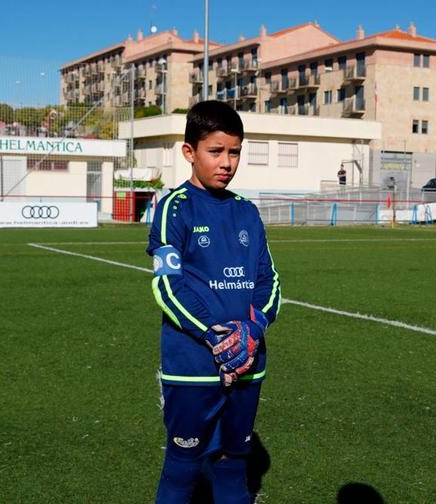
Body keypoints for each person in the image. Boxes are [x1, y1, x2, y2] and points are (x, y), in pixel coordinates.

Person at [146, 100, 281, 503]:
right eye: (216, 151)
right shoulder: (174, 208)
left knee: (233, 460)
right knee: (182, 464)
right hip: (193, 365)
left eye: (234, 151)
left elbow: (268, 280)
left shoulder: (247, 212)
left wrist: (253, 331)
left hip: (248, 361)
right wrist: (213, 334)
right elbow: (167, 288)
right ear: (190, 152)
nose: (227, 162)